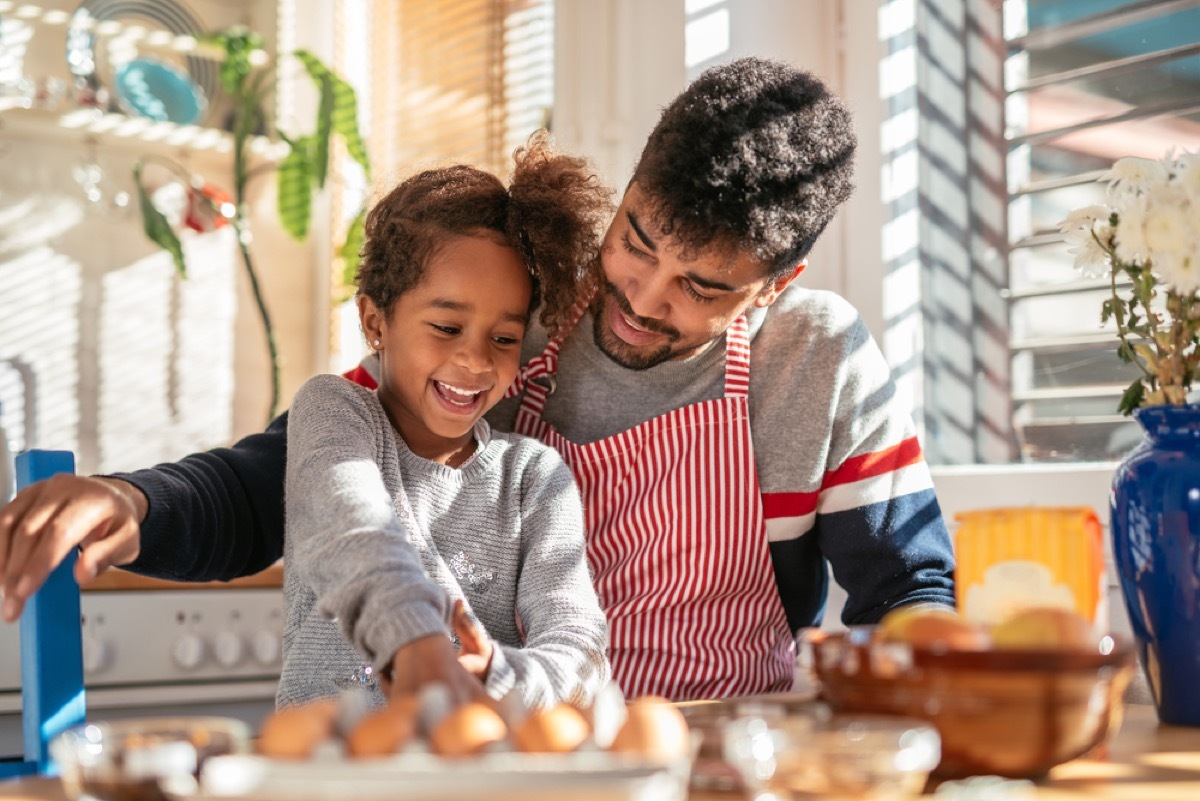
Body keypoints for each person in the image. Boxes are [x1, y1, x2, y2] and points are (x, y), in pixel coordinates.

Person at [0, 57, 955, 702]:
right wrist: (136, 501)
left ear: (774, 284)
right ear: (627, 193)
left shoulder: (816, 358)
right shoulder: (515, 317)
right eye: (636, 241)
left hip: (721, 760)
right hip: (521, 764)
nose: (640, 297)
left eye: (701, 288)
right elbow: (303, 476)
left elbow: (908, 585)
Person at [276, 132, 612, 710]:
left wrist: (498, 676)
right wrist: (418, 644)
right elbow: (353, 530)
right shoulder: (335, 413)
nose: (477, 361)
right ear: (375, 322)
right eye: (447, 328)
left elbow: (579, 646)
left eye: (504, 338)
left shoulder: (533, 477)